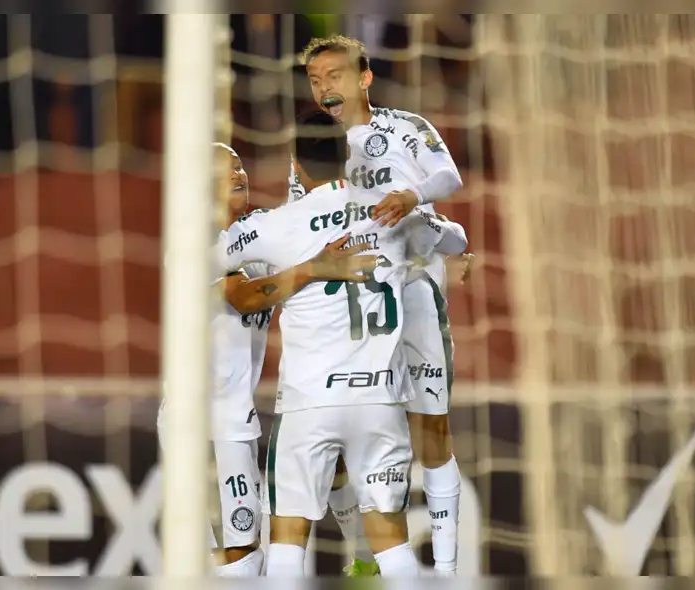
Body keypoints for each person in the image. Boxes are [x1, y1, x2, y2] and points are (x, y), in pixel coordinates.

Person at [218, 110, 468, 578]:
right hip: (379, 400)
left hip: (308, 404)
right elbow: (452, 238)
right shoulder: (391, 212)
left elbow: (209, 253)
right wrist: (450, 243)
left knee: (288, 541)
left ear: (295, 166)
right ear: (349, 158)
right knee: (392, 545)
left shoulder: (276, 225)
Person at [288, 34, 472, 577]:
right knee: (342, 440)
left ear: (364, 77)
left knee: (431, 430)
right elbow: (301, 217)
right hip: (347, 305)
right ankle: (364, 557)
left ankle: (446, 570)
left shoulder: (405, 128)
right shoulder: (313, 143)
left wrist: (415, 202)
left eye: (335, 76)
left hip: (411, 295)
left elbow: (449, 177)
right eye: (316, 80)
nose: (325, 88)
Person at [158, 143, 375, 577]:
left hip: (234, 419)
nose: (238, 174)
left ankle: (367, 563)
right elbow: (244, 297)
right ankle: (368, 563)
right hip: (192, 421)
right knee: (226, 559)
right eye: (223, 169)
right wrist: (314, 268)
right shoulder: (191, 244)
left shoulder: (260, 234)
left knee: (327, 470)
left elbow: (306, 235)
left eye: (239, 164)